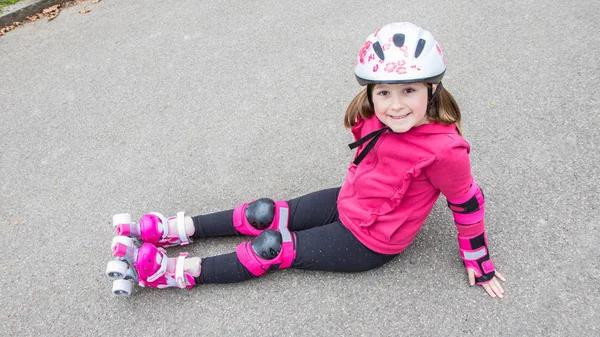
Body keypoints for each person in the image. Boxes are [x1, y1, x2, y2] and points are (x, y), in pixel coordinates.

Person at [107, 22, 506, 298]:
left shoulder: (444, 150)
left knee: (271, 246)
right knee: (263, 212)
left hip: (371, 240)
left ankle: (179, 274)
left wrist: (479, 261)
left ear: (432, 89)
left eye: (409, 91)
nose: (395, 106)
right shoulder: (370, 115)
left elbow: (467, 201)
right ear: (370, 92)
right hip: (350, 200)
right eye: (384, 92)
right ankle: (179, 228)